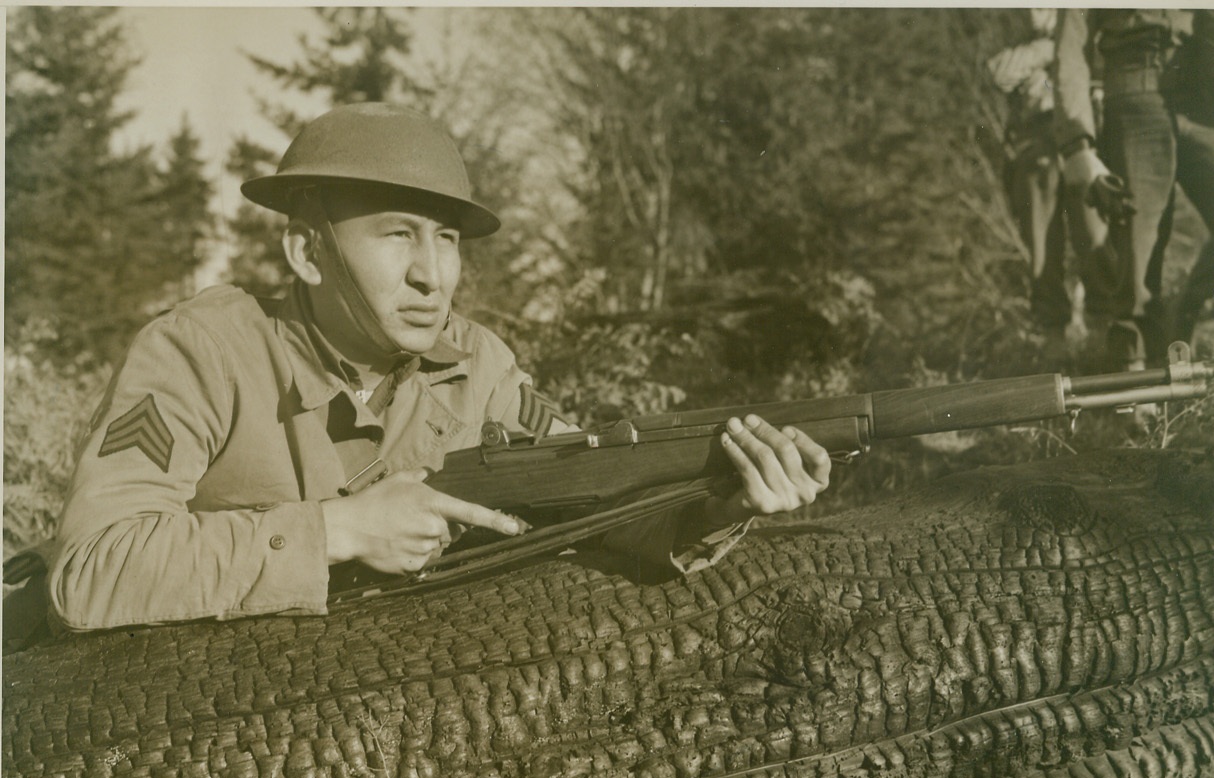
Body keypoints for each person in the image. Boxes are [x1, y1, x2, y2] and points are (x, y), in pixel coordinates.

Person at [37, 102, 831, 633]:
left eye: (446, 238)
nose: (433, 274)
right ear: (306, 252)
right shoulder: (202, 355)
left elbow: (598, 513)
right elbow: (92, 571)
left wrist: (717, 501)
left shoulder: (479, 368)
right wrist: (339, 531)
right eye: (397, 235)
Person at [1053, 9, 1214, 370]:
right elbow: (1070, 47)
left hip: (1203, 92)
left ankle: (1182, 324)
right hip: (1135, 94)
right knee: (1139, 262)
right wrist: (1078, 143)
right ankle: (1138, 397)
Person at [987, 9, 1109, 366]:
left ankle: (1102, 334)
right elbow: (999, 72)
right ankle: (1053, 336)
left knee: (1095, 232)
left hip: (1085, 136)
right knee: (1042, 246)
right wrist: (1053, 46)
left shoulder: (1088, 18)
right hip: (1036, 139)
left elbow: (1096, 61)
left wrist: (1053, 50)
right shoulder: (1010, 25)